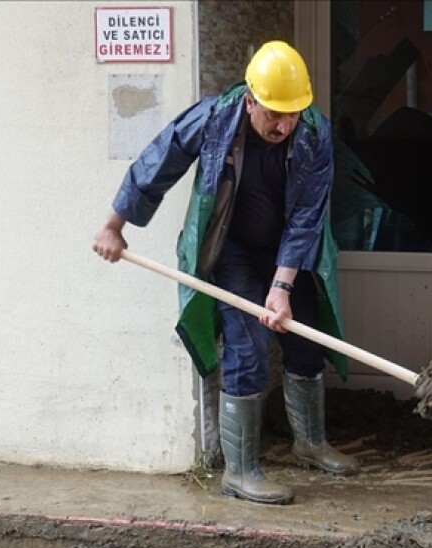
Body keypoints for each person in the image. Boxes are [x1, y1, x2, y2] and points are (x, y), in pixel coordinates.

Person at [92, 41, 360, 506]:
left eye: (293, 113)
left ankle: (310, 443)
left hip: (289, 254)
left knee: (306, 335)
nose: (284, 125)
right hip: (232, 250)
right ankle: (240, 471)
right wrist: (115, 225)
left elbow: (307, 219)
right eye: (274, 113)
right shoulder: (215, 119)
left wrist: (282, 286)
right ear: (250, 100)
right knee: (248, 345)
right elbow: (160, 161)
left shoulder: (315, 134)